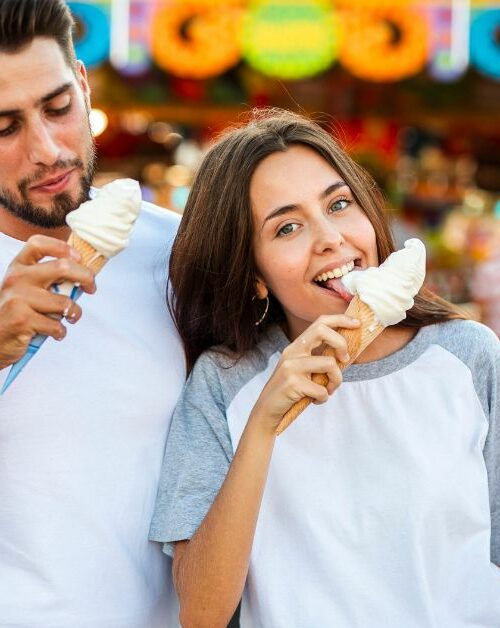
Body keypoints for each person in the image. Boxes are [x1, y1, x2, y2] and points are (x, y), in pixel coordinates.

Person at [150, 109, 500, 628]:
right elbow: (202, 611)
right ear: (253, 274)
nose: (331, 238)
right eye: (287, 226)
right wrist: (264, 424)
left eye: (339, 204)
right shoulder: (224, 383)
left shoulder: (465, 356)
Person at [0, 1, 185, 626]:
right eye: (4, 128)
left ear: (83, 83)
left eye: (57, 108)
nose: (48, 150)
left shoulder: (182, 253)